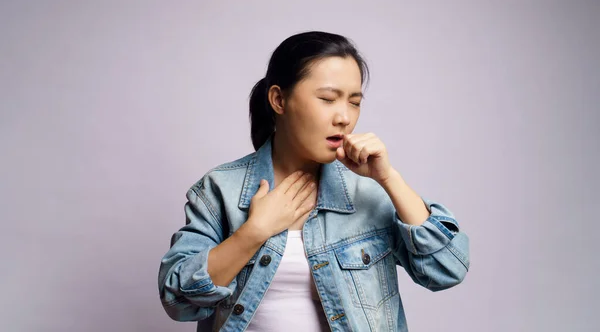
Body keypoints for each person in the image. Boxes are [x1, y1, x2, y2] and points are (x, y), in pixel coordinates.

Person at [158, 31, 470, 331]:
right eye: (328, 98)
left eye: (354, 101)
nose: (344, 117)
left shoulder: (369, 193)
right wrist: (253, 233)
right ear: (279, 100)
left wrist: (389, 178)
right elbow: (179, 301)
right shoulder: (221, 191)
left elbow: (447, 269)